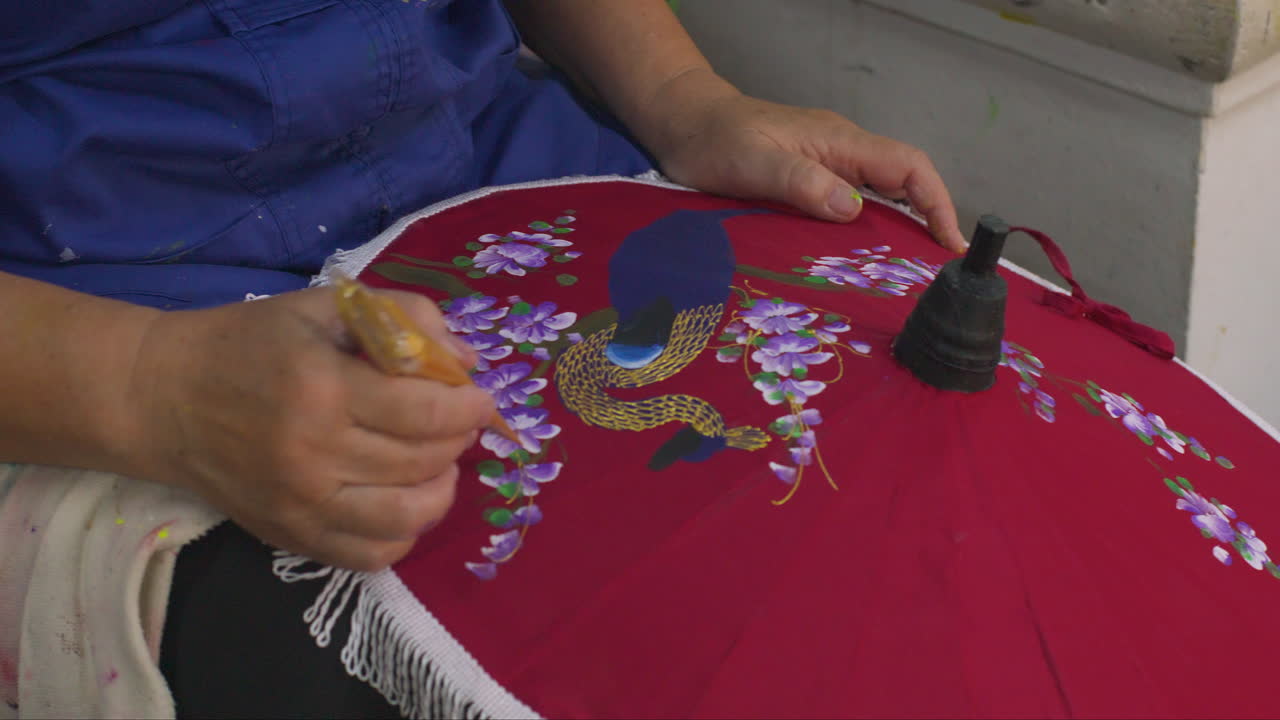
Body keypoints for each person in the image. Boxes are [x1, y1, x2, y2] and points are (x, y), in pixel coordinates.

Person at [0, 1, 964, 716]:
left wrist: (687, 99)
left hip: (477, 157)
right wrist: (152, 387)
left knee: (881, 482)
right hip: (86, 312)